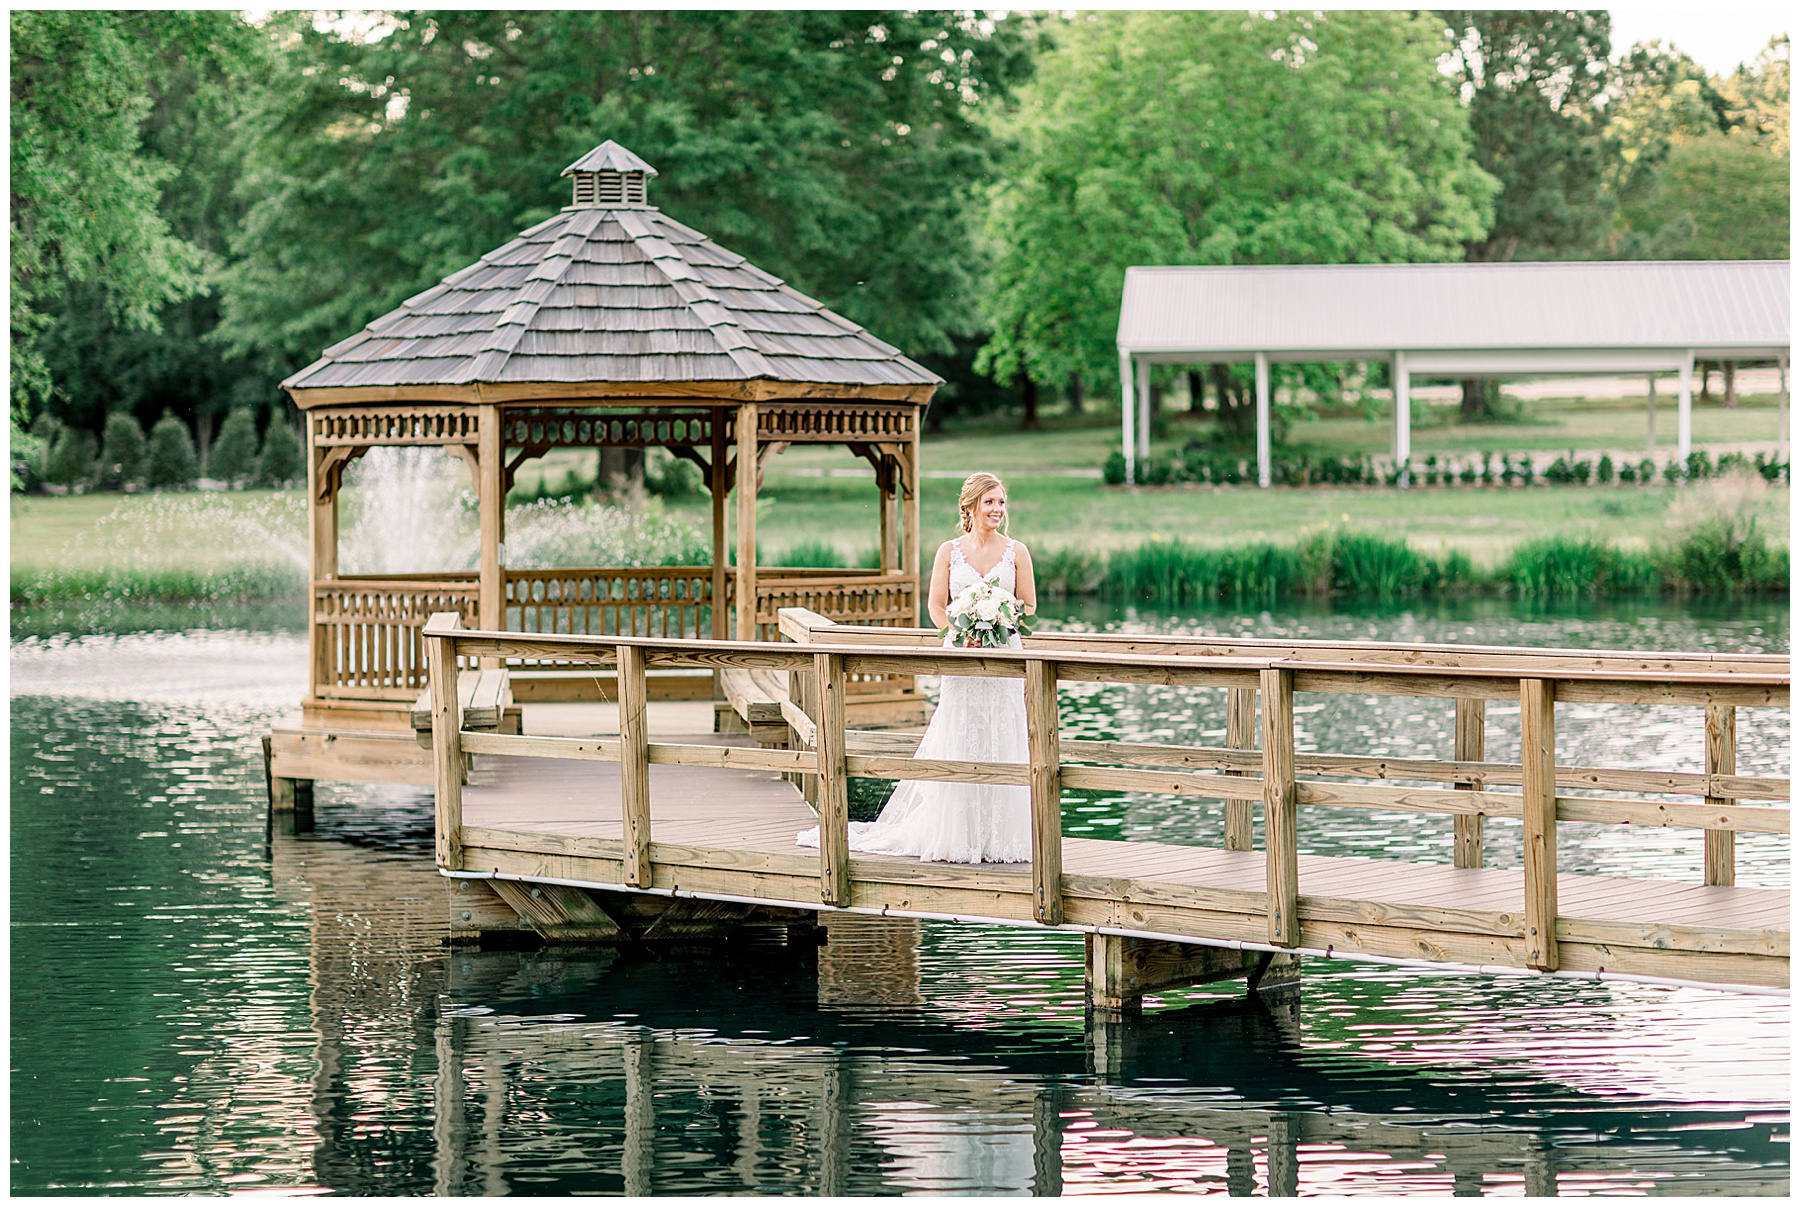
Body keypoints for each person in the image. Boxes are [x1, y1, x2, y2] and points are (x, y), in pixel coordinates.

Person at [798, 472, 1038, 863]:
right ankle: (958, 835)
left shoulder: (1017, 551)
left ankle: (1001, 838)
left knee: (1002, 733)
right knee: (961, 732)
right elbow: (935, 607)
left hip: (1004, 655)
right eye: (990, 502)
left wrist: (997, 623)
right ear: (971, 507)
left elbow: (1028, 604)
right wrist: (963, 630)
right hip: (960, 655)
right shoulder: (949, 551)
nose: (998, 510)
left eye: (1002, 502)